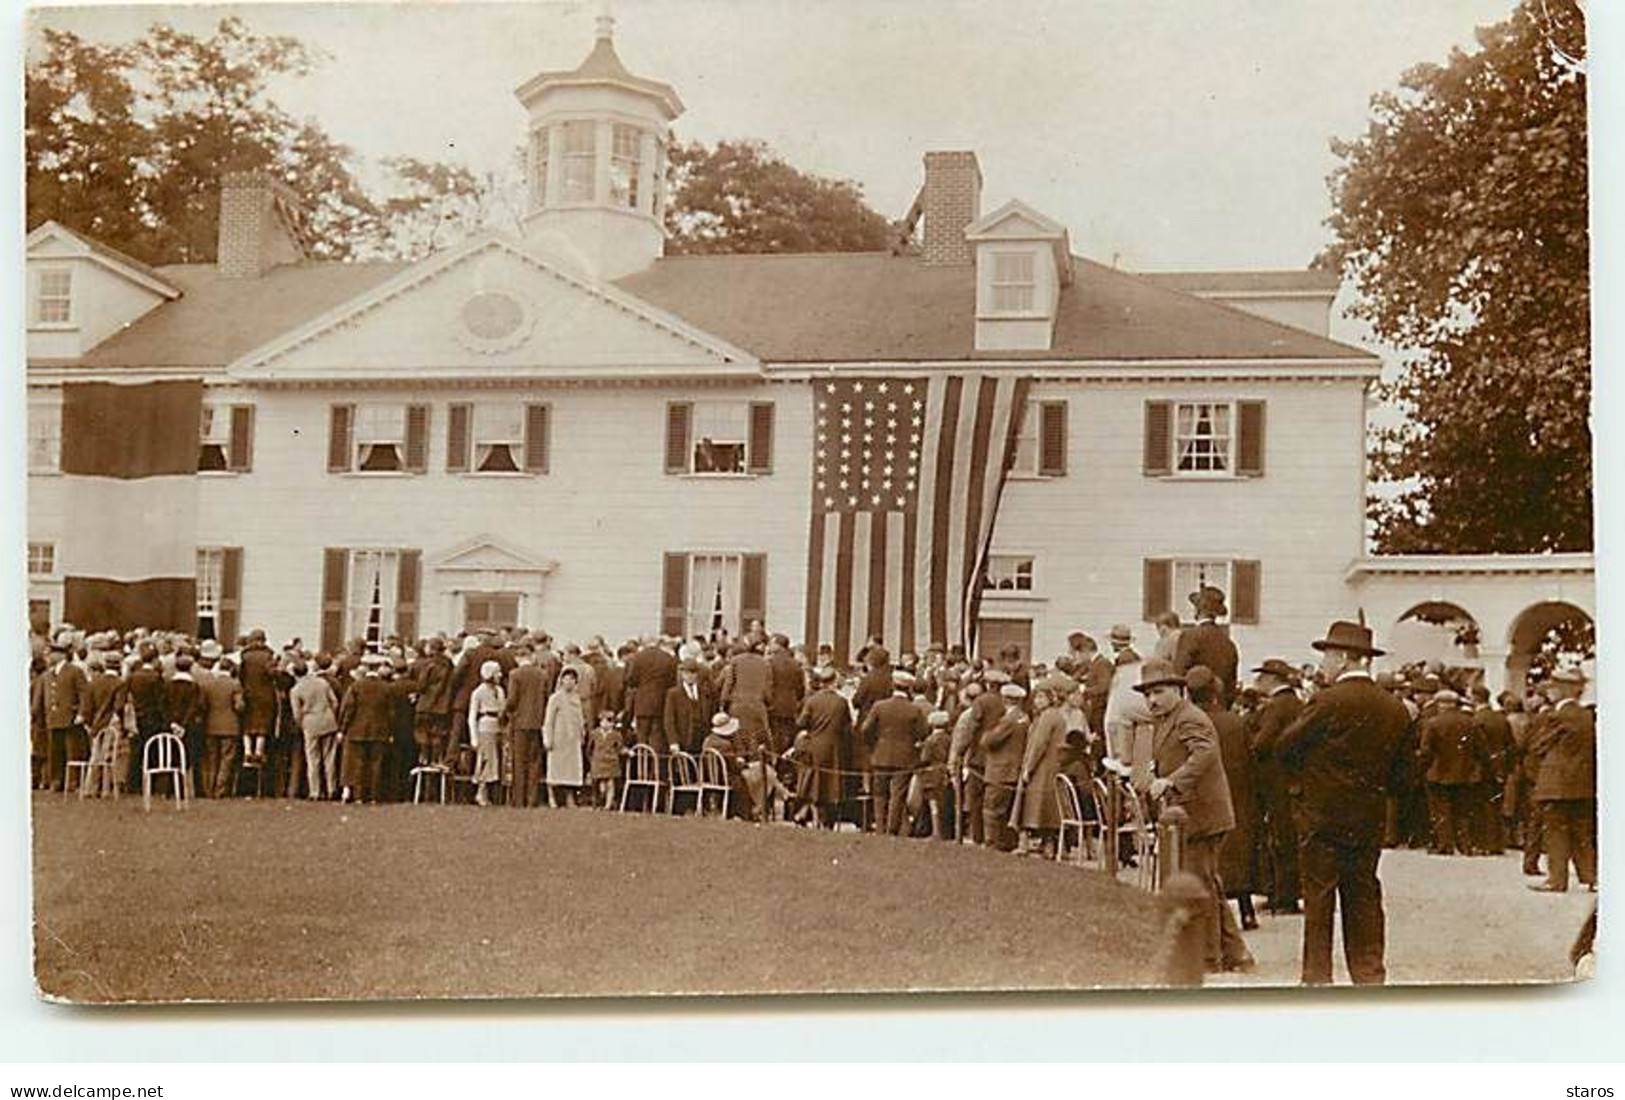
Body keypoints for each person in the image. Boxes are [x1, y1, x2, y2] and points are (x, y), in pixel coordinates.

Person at [1275, 620, 1409, 985]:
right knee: (1363, 893)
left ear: (1346, 659)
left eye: (1329, 656)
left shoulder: (1327, 701)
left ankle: (1317, 978)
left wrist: (1304, 785)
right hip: (1368, 816)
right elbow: (1403, 771)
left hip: (1322, 816)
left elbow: (1286, 746)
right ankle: (1368, 974)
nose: (1323, 664)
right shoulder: (1394, 707)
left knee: (1319, 897)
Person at [1135, 659, 1252, 973]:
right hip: (1192, 813)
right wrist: (1153, 770)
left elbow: (1205, 753)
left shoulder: (1190, 718)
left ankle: (1209, 957)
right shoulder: (1168, 718)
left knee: (1200, 883)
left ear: (1177, 689)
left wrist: (1170, 781)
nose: (1152, 700)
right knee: (1208, 882)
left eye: (1158, 692)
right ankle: (1235, 954)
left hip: (1202, 814)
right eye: (1147, 694)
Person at [1190, 666, 1258, 931]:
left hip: (1204, 795)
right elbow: (1251, 760)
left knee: (1208, 857)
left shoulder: (1188, 722)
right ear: (1216, 693)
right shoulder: (1236, 722)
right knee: (1239, 852)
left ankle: (1213, 915)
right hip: (1237, 791)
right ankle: (1246, 909)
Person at [1526, 667, 1596, 893]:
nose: (1550, 690)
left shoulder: (1555, 716)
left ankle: (1557, 880)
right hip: (1582, 783)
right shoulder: (1586, 716)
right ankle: (1591, 876)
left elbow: (1536, 746)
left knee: (1555, 832)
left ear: (1564, 690)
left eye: (1554, 687)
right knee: (1581, 833)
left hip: (1555, 784)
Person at [1246, 658, 1303, 913]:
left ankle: (1282, 896)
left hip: (1274, 780)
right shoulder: (1297, 704)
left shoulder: (1276, 708)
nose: (1258, 681)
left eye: (1262, 676)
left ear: (1272, 679)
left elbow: (1261, 743)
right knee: (1289, 836)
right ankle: (1285, 893)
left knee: (1279, 838)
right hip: (1294, 778)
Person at [1417, 688, 1486, 855]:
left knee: (1440, 811)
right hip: (1465, 772)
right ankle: (1464, 844)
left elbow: (1426, 750)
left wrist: (1422, 768)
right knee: (1462, 811)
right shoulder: (1471, 722)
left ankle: (1444, 845)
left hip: (1438, 771)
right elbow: (1482, 749)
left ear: (1440, 704)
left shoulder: (1433, 723)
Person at [860, 670, 928, 835]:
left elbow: (865, 729)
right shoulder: (914, 710)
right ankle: (892, 828)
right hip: (904, 757)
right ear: (909, 689)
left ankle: (880, 827)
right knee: (898, 795)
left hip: (880, 755)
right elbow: (923, 733)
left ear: (893, 685)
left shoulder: (879, 706)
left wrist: (875, 744)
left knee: (879, 794)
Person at [1018, 675, 1073, 856]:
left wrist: (1028, 768)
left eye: (1042, 697)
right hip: (1051, 768)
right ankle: (1048, 845)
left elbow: (1038, 744)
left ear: (1051, 698)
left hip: (1041, 770)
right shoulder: (1056, 717)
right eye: (1036, 697)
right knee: (1048, 810)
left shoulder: (1047, 718)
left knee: (1033, 807)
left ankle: (1027, 844)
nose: (1037, 701)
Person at [794, 665, 854, 828]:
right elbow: (847, 726)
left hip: (814, 746)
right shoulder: (841, 702)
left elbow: (801, 723)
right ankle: (825, 819)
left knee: (813, 783)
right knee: (831, 785)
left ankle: (807, 814)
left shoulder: (812, 700)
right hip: (834, 747)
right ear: (834, 682)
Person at [980, 682, 1030, 852]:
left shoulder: (1008, 720)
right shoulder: (1024, 718)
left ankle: (992, 843)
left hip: (1000, 770)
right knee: (1005, 811)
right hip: (1013, 769)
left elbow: (989, 741)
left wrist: (986, 733)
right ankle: (1006, 843)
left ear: (1005, 700)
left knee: (991, 809)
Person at [37, 640, 90, 793]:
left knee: (72, 751)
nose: (49, 656)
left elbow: (83, 693)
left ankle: (72, 782)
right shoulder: (48, 674)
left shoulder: (74, 671)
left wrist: (81, 713)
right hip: (53, 718)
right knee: (54, 752)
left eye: (51, 653)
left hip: (70, 718)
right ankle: (56, 781)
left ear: (60, 655)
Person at [1173, 586, 1239, 705]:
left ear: (1198, 610)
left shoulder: (1190, 636)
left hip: (1195, 706)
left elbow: (1178, 673)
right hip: (1220, 706)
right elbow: (1231, 684)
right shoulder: (1228, 643)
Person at [505, 647, 552, 809]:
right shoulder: (543, 675)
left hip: (520, 723)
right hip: (538, 722)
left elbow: (512, 700)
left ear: (519, 657)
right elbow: (546, 698)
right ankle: (532, 799)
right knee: (534, 762)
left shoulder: (515, 674)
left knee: (519, 761)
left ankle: (519, 799)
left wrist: (506, 712)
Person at [196, 642, 244, 799]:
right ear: (231, 669)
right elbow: (239, 706)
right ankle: (219, 789)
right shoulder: (235, 684)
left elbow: (202, 706)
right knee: (226, 760)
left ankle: (208, 789)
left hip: (210, 725)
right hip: (230, 727)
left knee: (210, 759)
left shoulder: (209, 684)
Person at [1469, 684, 1511, 855]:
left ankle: (1483, 843)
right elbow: (1511, 745)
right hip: (1500, 768)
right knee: (1495, 806)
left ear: (1475, 698)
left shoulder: (1476, 720)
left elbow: (1476, 748)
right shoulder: (1501, 718)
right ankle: (1496, 843)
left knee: (1481, 807)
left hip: (1481, 769)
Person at [289, 660, 340, 800]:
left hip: (310, 723)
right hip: (328, 720)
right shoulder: (322, 683)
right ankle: (331, 788)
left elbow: (296, 713)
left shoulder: (296, 690)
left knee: (313, 759)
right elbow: (334, 702)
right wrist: (329, 713)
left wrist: (302, 724)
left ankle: (315, 791)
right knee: (329, 758)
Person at [542, 666, 587, 808]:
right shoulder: (555, 698)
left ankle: (570, 797)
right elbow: (549, 720)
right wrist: (547, 738)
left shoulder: (577, 699)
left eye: (572, 679)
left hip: (572, 740)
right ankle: (551, 797)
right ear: (561, 680)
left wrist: (581, 734)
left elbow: (580, 719)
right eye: (566, 679)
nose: (569, 682)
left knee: (571, 770)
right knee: (554, 768)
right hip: (558, 738)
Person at [624, 635, 677, 752]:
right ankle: (655, 767)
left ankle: (642, 766)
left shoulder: (637, 658)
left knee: (642, 738)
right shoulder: (668, 658)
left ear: (644, 643)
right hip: (661, 702)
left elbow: (631, 680)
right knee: (657, 738)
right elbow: (673, 682)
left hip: (642, 703)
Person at [466, 660, 506, 807]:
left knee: (495, 761)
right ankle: (481, 791)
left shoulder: (500, 691)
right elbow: (471, 716)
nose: (500, 675)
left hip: (498, 727)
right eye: (497, 673)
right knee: (485, 760)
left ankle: (489, 793)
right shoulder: (478, 692)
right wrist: (474, 738)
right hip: (485, 727)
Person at [411, 637, 455, 767]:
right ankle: (436, 759)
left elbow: (422, 685)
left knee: (422, 733)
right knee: (438, 735)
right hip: (442, 706)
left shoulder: (428, 664)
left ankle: (424, 756)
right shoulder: (449, 664)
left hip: (426, 705)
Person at [238, 628, 278, 767]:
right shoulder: (268, 655)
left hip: (248, 694)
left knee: (247, 724)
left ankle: (247, 751)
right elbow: (272, 673)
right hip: (265, 695)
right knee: (262, 726)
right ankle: (259, 752)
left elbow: (240, 676)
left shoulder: (245, 656)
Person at [913, 710, 952, 839]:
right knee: (943, 804)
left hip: (932, 773)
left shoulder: (930, 740)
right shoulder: (948, 738)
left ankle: (936, 832)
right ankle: (944, 831)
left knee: (933, 804)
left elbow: (924, 758)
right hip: (944, 771)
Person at [766, 634, 807, 754]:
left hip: (773, 705)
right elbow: (800, 688)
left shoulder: (769, 662)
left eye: (771, 643)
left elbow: (768, 684)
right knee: (788, 736)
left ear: (778, 645)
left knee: (774, 737)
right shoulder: (796, 664)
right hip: (790, 705)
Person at [663, 659, 711, 756]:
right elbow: (669, 720)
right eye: (686, 673)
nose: (689, 676)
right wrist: (673, 742)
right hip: (684, 740)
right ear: (682, 674)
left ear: (697, 674)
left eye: (692, 673)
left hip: (702, 740)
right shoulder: (673, 694)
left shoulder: (704, 692)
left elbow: (709, 715)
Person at [589, 712, 625, 809]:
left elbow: (620, 747)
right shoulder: (595, 734)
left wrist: (625, 752)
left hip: (611, 761)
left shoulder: (616, 735)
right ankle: (600, 800)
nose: (606, 724)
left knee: (610, 783)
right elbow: (589, 748)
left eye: (609, 721)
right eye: (603, 721)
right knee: (601, 784)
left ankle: (608, 805)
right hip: (598, 761)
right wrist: (592, 758)